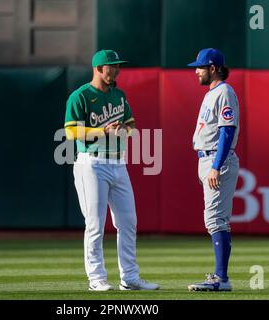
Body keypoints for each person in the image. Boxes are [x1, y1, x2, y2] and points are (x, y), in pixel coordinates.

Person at [64, 49, 160, 291]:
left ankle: (130, 278)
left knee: (128, 221)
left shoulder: (119, 95)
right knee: (95, 224)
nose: (117, 70)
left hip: (118, 163)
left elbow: (131, 124)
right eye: (112, 66)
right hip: (92, 163)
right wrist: (102, 131)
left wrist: (123, 131)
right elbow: (71, 131)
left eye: (118, 66)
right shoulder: (81, 96)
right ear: (98, 68)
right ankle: (96, 279)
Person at [186, 48, 240, 291]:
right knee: (215, 218)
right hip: (206, 159)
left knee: (215, 219)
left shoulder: (225, 92)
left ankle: (221, 279)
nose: (196, 71)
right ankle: (220, 277)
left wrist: (216, 166)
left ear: (213, 68)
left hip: (217, 160)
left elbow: (227, 130)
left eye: (200, 67)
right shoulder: (212, 93)